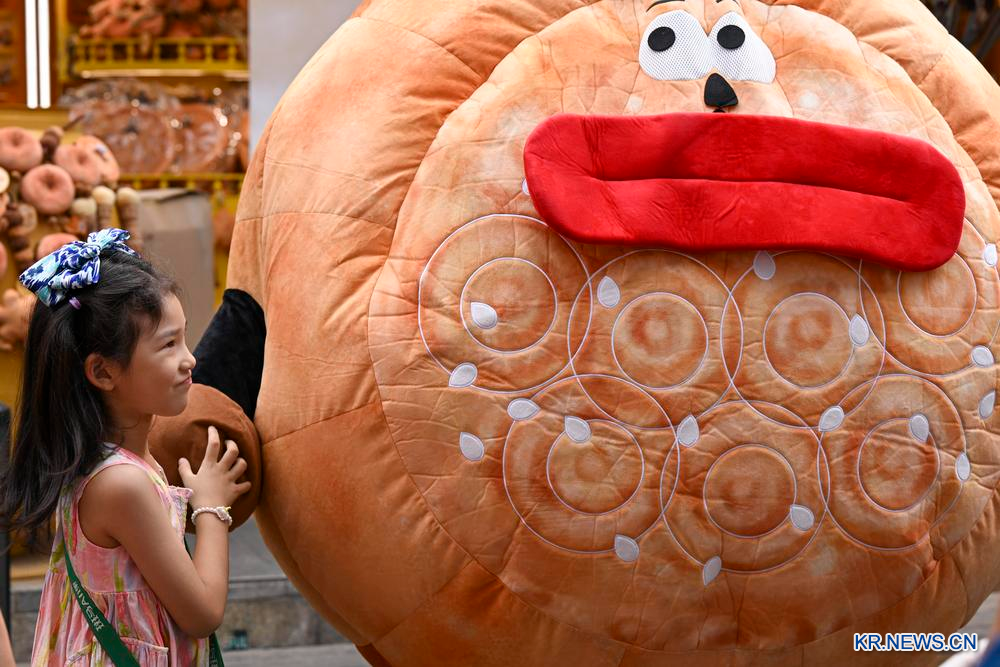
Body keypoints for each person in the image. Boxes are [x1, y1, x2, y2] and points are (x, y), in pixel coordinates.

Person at [0, 229, 250, 665]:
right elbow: (202, 613)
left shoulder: (109, 458)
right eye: (168, 345)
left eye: (184, 338)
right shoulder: (121, 484)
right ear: (103, 372)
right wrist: (212, 507)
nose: (189, 359)